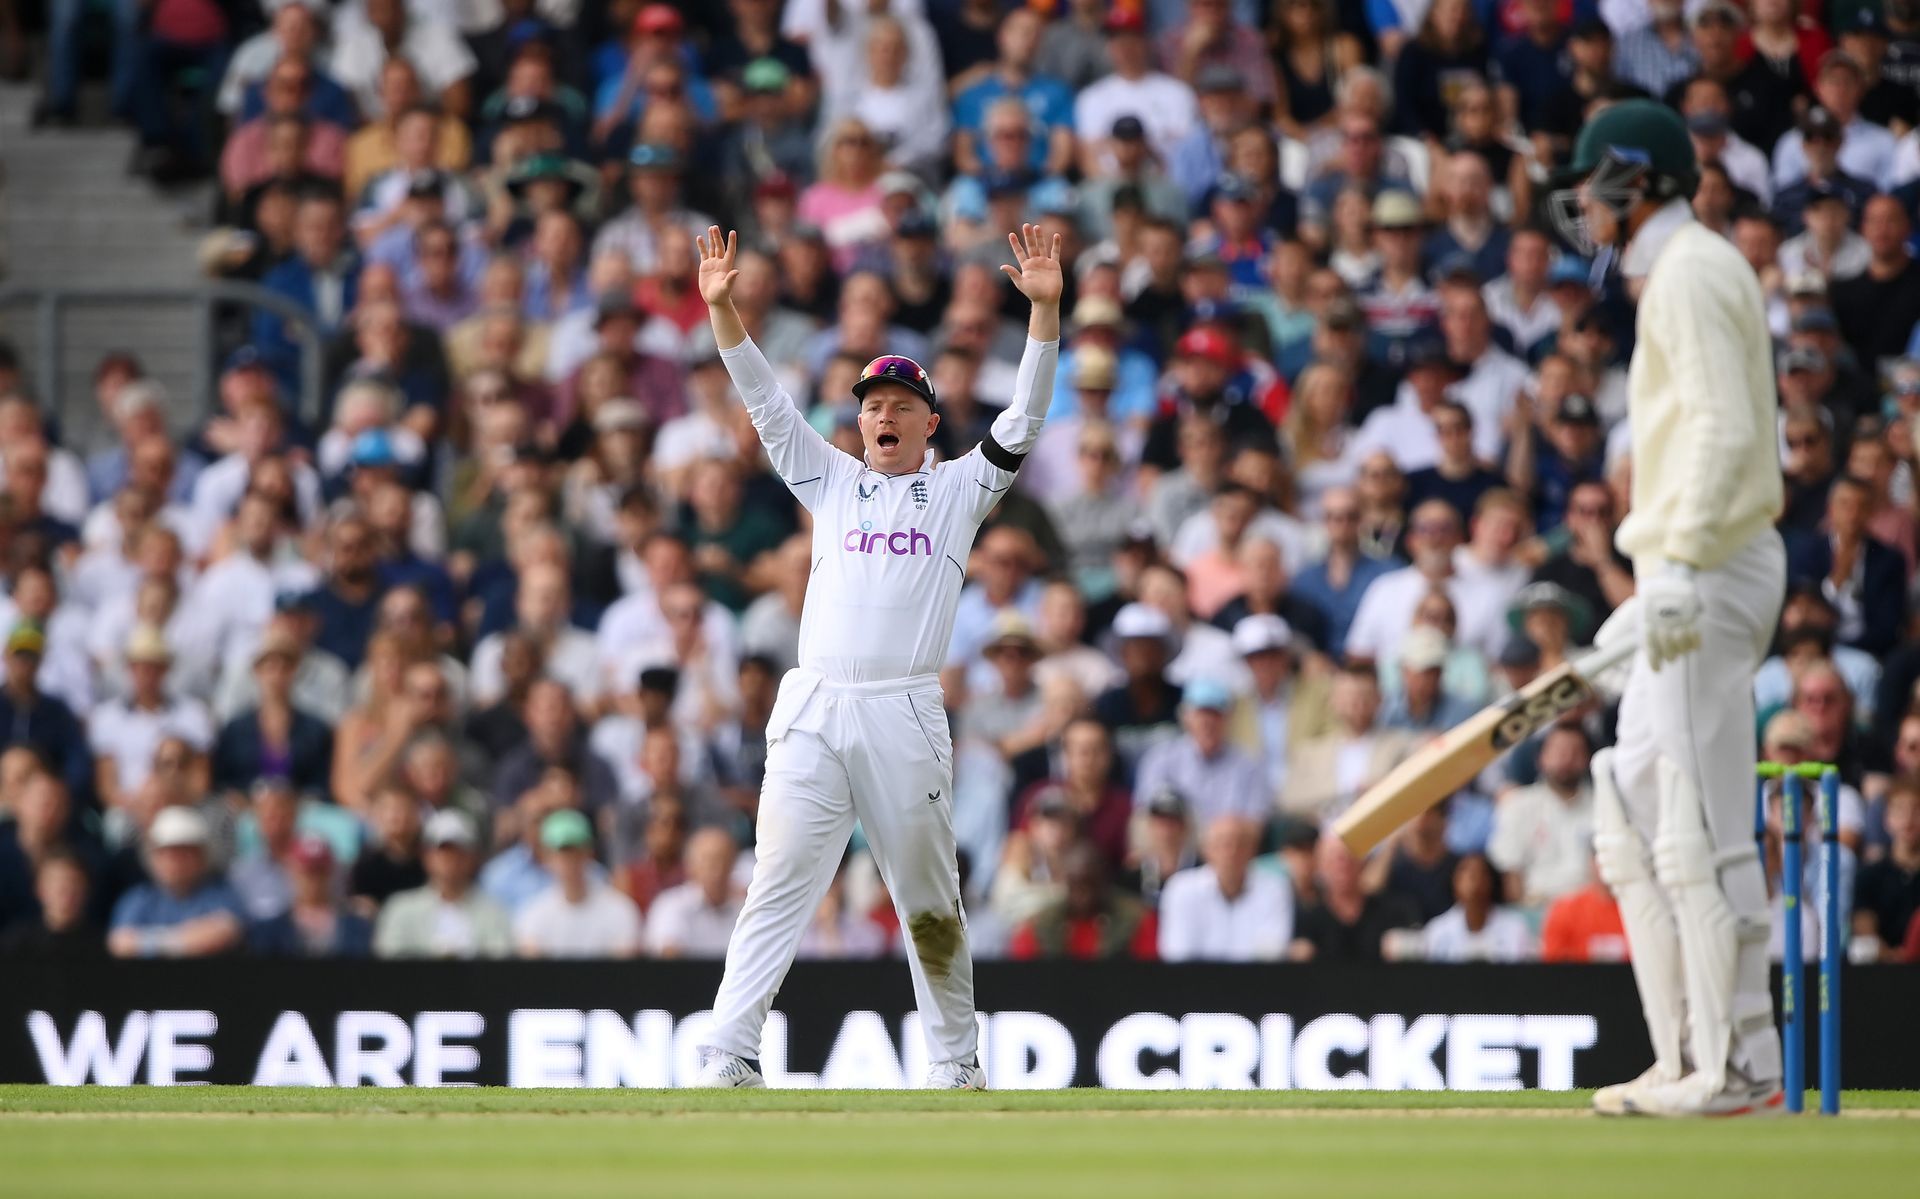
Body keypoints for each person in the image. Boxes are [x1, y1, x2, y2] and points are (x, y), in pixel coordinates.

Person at [687, 221, 1062, 1091]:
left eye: (900, 405)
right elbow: (766, 402)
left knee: (929, 903)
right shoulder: (831, 479)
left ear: (930, 422)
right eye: (871, 405)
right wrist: (723, 311)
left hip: (903, 708)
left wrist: (1045, 314)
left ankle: (955, 1064)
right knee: (777, 880)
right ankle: (729, 1052)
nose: (882, 415)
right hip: (816, 704)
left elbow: (1027, 416)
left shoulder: (960, 487)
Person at [1551, 100, 1788, 1116]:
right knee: (1635, 799)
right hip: (1683, 571)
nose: (1584, 204)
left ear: (1637, 181)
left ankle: (1746, 1067)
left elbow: (1727, 432)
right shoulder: (1681, 272)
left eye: (1595, 182)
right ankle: (1683, 1050)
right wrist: (1651, 575)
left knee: (1709, 821)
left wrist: (1680, 559)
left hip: (1714, 566)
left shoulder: (1690, 271)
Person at [107, 807, 245, 959]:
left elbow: (222, 934)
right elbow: (120, 943)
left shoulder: (220, 895)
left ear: (203, 857)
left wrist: (147, 941)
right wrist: (183, 940)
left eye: (184, 853)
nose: (175, 862)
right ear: (152, 858)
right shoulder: (138, 898)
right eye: (166, 854)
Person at [373, 810, 513, 959]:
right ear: (426, 856)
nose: (450, 859)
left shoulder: (493, 912)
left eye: (459, 851)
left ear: (473, 857)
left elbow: (499, 961)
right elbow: (389, 961)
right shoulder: (400, 909)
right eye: (443, 850)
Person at [1157, 814, 1294, 961]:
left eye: (1240, 844)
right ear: (1207, 849)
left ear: (1253, 850)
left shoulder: (1274, 888)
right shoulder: (1180, 889)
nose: (1232, 852)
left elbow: (1272, 951)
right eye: (1223, 844)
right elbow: (1177, 954)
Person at [516, 809, 644, 958]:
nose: (569, 861)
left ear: (589, 853)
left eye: (576, 851)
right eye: (562, 852)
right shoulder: (532, 915)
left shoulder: (621, 910)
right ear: (546, 856)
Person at [248, 835, 374, 958]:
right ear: (291, 872)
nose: (313, 880)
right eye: (306, 872)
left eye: (319, 871)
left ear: (330, 873)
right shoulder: (271, 930)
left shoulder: (356, 928)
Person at [1420, 853, 1534, 962]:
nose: (1473, 877)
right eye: (1465, 871)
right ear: (1454, 882)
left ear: (1491, 882)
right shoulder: (1438, 931)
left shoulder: (1515, 928)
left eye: (1481, 873)